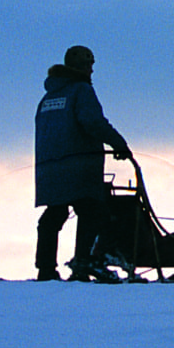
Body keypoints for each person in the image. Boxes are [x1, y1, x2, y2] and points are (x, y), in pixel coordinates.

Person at [34, 45, 132, 281]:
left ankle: (45, 269)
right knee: (93, 212)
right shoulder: (81, 91)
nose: (92, 70)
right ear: (81, 67)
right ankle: (84, 262)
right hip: (79, 166)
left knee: (54, 215)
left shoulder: (48, 98)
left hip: (48, 168)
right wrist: (119, 144)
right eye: (89, 65)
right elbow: (93, 122)